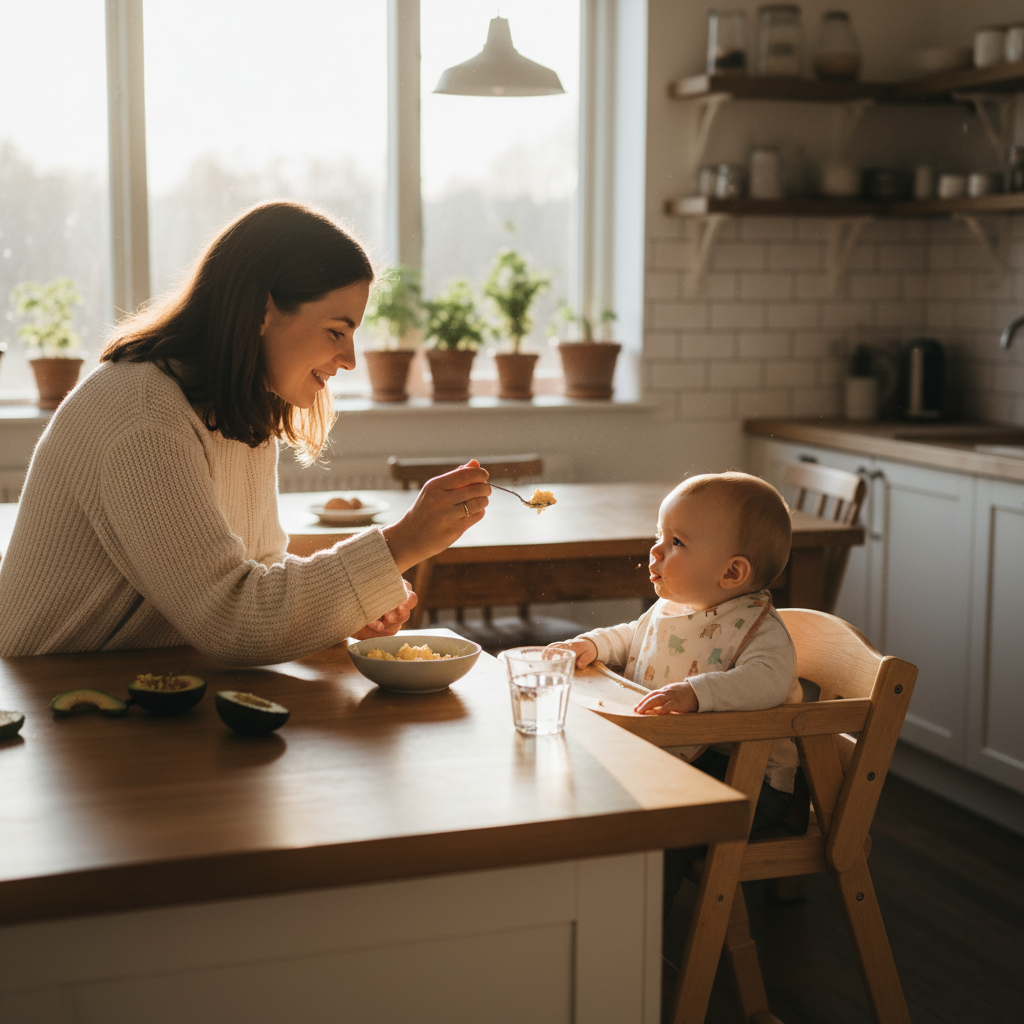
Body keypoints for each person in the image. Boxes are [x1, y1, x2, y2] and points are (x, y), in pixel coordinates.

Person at [0, 201, 489, 664]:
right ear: (261, 310)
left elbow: (257, 571)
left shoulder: (239, 410)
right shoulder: (143, 414)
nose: (350, 360)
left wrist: (342, 612)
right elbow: (231, 617)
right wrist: (400, 543)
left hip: (148, 690)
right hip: (47, 707)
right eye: (337, 331)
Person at [550, 471, 802, 914]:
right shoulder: (678, 608)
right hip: (683, 758)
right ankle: (583, 903)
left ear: (732, 571)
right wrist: (592, 645)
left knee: (662, 831)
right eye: (658, 535)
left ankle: (637, 930)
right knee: (592, 791)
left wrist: (696, 692)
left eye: (676, 542)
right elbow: (636, 635)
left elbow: (768, 680)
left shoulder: (759, 630)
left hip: (746, 774)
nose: (655, 550)